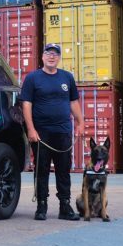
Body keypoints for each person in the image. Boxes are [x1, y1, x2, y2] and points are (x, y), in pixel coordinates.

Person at [20, 43, 82, 221]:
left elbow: (73, 103)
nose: (52, 56)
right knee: (42, 170)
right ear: (42, 57)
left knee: (64, 170)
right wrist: (31, 129)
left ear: (59, 57)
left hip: (63, 132)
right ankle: (41, 206)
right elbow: (26, 105)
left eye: (55, 54)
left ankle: (65, 206)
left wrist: (80, 123)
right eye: (48, 53)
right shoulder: (32, 78)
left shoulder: (67, 78)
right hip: (41, 134)